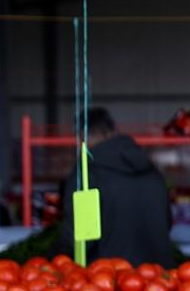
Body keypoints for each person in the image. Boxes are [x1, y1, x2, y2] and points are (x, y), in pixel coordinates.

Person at [56, 108, 173, 266]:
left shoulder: (89, 173)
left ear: (82, 137)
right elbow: (167, 222)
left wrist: (53, 260)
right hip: (158, 278)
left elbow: (79, 235)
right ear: (113, 130)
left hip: (110, 279)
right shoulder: (150, 168)